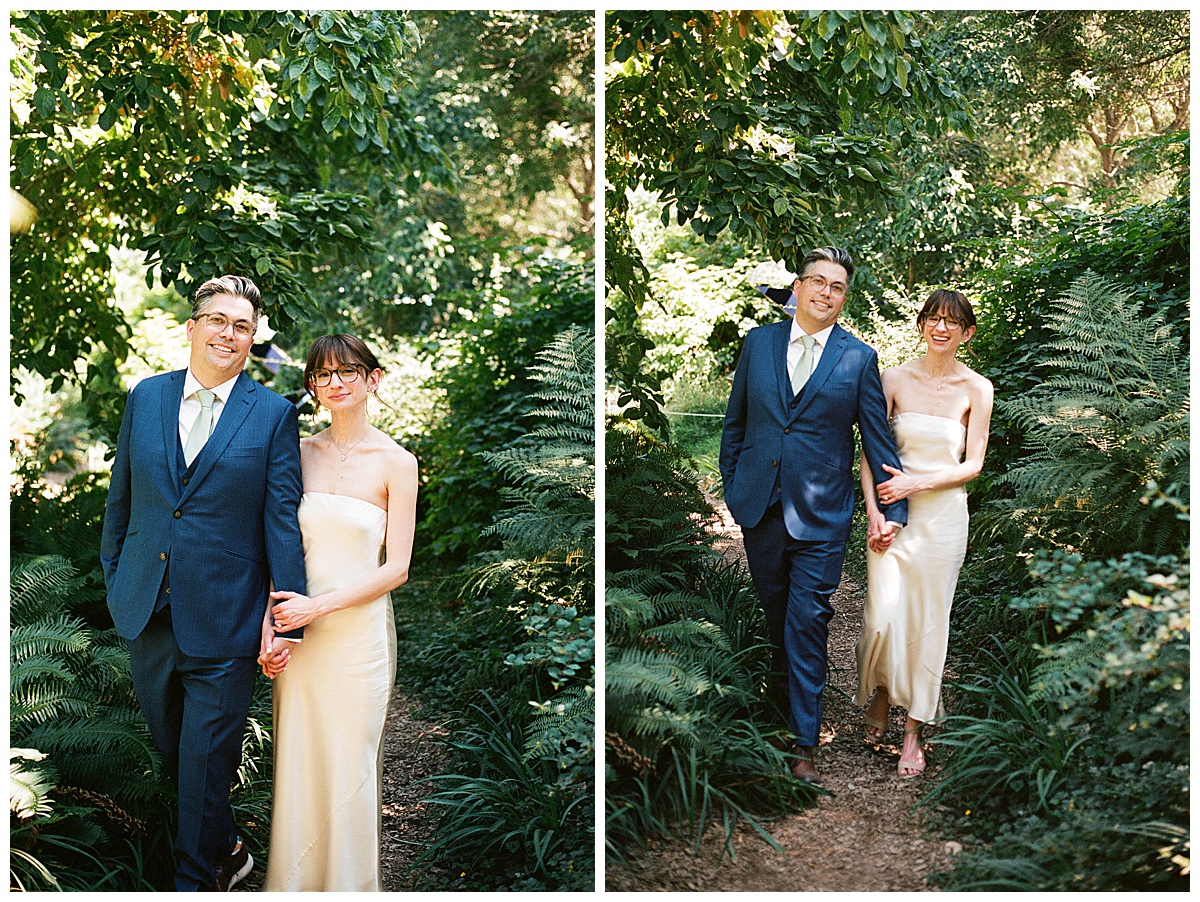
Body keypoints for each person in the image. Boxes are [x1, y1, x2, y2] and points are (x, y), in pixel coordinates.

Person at [100, 275, 307, 891]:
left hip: (227, 619)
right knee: (179, 759)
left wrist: (287, 616)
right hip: (147, 610)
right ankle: (229, 848)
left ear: (253, 340)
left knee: (204, 760)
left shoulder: (272, 415)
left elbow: (281, 521)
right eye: (217, 320)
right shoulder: (148, 397)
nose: (228, 333)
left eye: (242, 326)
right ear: (192, 328)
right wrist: (116, 581)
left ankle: (196, 882)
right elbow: (122, 499)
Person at [720, 246, 908, 785]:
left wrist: (897, 510)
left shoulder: (857, 359)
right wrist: (735, 489)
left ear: (844, 300)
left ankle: (804, 743)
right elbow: (736, 425)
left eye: (838, 287)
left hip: (822, 518)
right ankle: (779, 718)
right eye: (818, 281)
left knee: (808, 622)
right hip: (760, 508)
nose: (826, 292)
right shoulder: (758, 344)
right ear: (797, 287)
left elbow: (878, 443)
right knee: (777, 620)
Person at [258, 334, 418, 892]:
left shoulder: (398, 463)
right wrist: (273, 628)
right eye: (323, 375)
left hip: (356, 637)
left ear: (373, 379)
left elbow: (396, 567)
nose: (336, 383)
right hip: (297, 638)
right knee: (299, 763)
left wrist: (317, 607)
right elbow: (278, 548)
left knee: (350, 766)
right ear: (312, 387)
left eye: (348, 371)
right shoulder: (297, 454)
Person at [855, 289, 993, 778]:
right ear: (920, 325)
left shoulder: (977, 388)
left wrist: (918, 481)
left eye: (952, 322)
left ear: (966, 332)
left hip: (943, 520)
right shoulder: (892, 379)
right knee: (882, 617)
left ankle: (913, 730)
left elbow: (973, 465)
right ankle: (882, 691)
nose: (941, 328)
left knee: (930, 623)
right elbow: (871, 450)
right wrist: (873, 509)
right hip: (893, 516)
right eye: (933, 318)